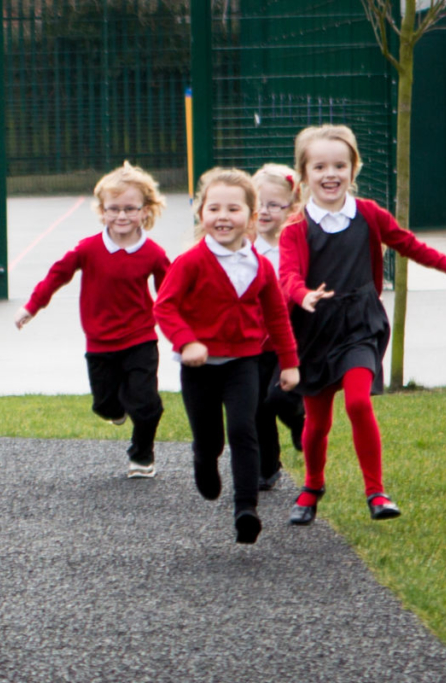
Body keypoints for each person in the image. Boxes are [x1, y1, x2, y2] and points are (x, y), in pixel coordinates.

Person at [279, 124, 446, 525]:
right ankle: (312, 487)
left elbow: (407, 243)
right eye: (319, 166)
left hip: (360, 324)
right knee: (316, 423)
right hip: (315, 330)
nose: (330, 174)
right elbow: (287, 276)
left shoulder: (369, 213)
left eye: (340, 165)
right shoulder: (295, 229)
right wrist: (303, 295)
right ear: (304, 174)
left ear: (354, 169)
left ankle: (376, 492)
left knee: (357, 400)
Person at [155, 168, 299, 544]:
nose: (223, 216)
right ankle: (203, 461)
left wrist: (289, 363)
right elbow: (164, 308)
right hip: (199, 368)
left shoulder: (261, 265)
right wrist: (187, 342)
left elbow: (277, 317)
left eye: (233, 209)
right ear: (201, 214)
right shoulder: (190, 262)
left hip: (243, 362)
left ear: (251, 218)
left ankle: (246, 509)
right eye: (214, 208)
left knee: (243, 429)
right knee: (210, 439)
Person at [15, 162, 170, 479]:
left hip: (141, 338)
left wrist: (187, 330)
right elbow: (58, 275)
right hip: (100, 342)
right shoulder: (89, 249)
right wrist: (31, 307)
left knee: (145, 403)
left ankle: (142, 455)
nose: (122, 216)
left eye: (130, 208)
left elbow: (170, 293)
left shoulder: (153, 253)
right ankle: (117, 410)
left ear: (145, 211)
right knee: (105, 406)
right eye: (114, 209)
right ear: (102, 211)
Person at [251, 164, 306, 491]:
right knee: (256, 406)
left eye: (274, 204)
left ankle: (300, 421)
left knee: (279, 396)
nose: (264, 211)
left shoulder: (296, 242)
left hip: (291, 339)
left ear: (293, 207)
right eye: (258, 203)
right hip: (254, 342)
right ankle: (267, 466)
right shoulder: (243, 244)